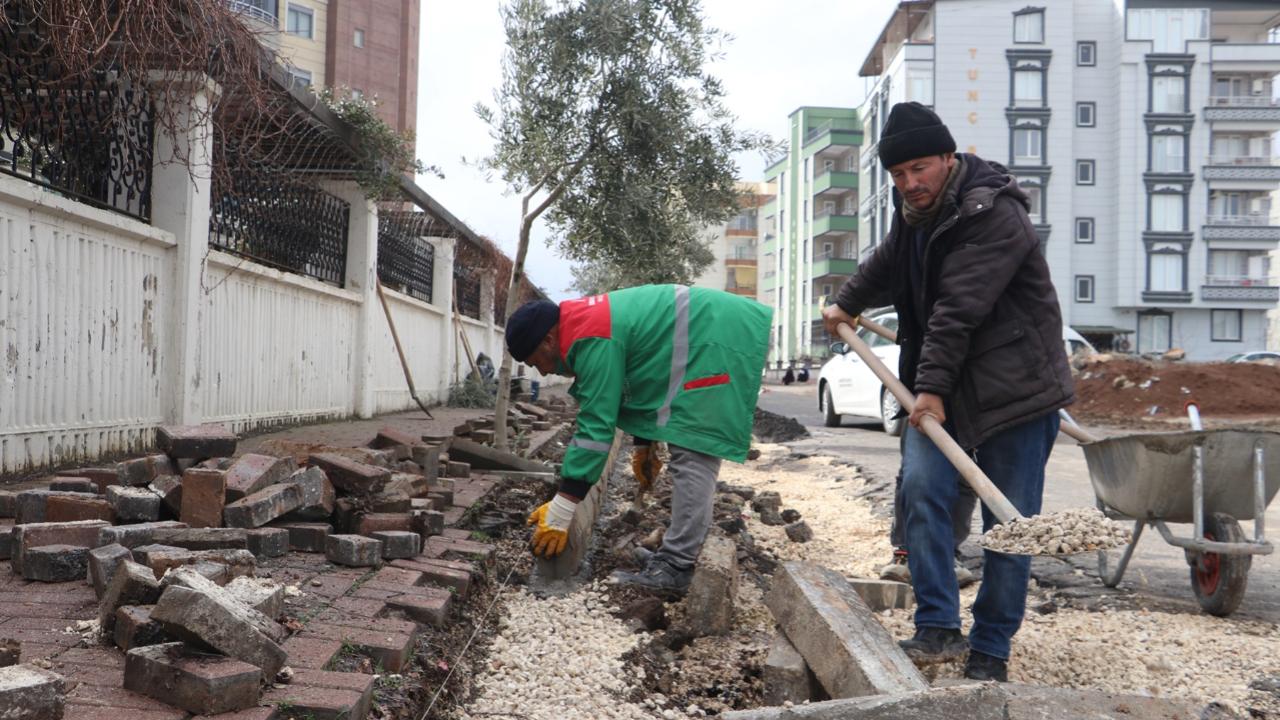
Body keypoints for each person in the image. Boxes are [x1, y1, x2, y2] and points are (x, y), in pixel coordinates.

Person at [822, 102, 1074, 682]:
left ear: (947, 157)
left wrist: (928, 389)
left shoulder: (995, 214)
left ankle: (991, 647)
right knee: (922, 494)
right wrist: (849, 302)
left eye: (919, 168)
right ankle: (937, 625)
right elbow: (890, 261)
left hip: (1016, 391)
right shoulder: (912, 212)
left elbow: (957, 310)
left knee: (1008, 523)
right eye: (898, 174)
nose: (910, 183)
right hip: (946, 388)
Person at [506, 285, 772, 595]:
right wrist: (644, 443)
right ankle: (674, 556)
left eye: (536, 361)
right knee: (689, 447)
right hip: (717, 333)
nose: (540, 370)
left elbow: (596, 426)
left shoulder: (590, 337)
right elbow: (647, 374)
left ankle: (676, 567)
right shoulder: (587, 322)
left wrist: (564, 505)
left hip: (722, 339)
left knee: (693, 449)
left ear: (549, 340)